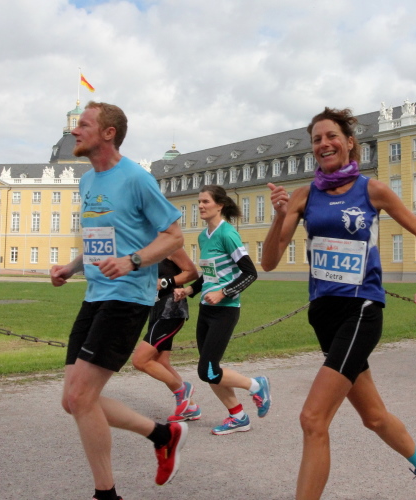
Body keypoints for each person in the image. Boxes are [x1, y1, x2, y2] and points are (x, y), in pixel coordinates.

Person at [262, 107, 416, 500]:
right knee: (373, 417)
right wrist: (279, 217)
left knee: (312, 419)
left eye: (331, 136)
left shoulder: (371, 190)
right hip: (323, 314)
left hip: (361, 309)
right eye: (317, 139)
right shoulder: (303, 196)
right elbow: (269, 262)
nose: (324, 144)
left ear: (348, 142)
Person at [50, 101, 187, 500]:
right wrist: (71, 268)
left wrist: (133, 261)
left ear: (108, 133)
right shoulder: (87, 182)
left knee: (81, 397)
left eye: (84, 124)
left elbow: (174, 237)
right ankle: (163, 435)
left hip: (127, 297)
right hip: (95, 296)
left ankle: (106, 494)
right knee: (72, 401)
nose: (76, 130)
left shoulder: (136, 178)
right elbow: (102, 240)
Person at [177, 185, 270, 435]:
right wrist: (189, 290)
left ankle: (256, 385)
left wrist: (224, 293)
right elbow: (209, 274)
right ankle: (238, 416)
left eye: (205, 201)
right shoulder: (203, 236)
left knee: (207, 370)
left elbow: (250, 273)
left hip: (225, 310)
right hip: (206, 309)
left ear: (220, 205)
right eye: (199, 202)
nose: (200, 206)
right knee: (210, 369)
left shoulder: (228, 234)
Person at [131, 247, 202, 423]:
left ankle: (182, 390)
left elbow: (192, 273)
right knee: (161, 362)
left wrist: (164, 282)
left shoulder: (170, 246)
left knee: (140, 360)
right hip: (155, 309)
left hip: (171, 310)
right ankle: (190, 407)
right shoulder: (141, 247)